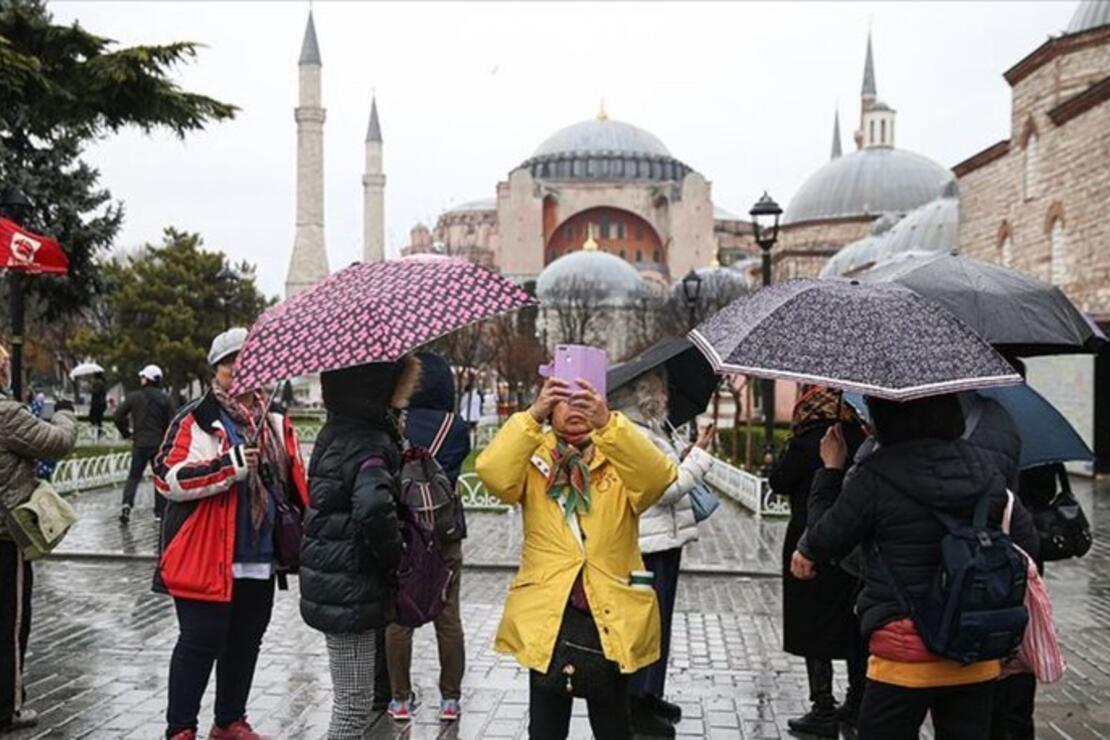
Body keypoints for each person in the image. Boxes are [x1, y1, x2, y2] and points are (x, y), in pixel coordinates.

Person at [791, 393, 1039, 740]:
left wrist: (831, 469)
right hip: (972, 647)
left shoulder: (875, 474)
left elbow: (824, 539)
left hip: (904, 651)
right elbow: (1027, 542)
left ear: (885, 416)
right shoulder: (983, 467)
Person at [476, 374, 677, 740]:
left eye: (585, 400)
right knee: (546, 727)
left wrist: (610, 424)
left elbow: (658, 477)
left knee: (613, 724)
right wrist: (531, 414)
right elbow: (492, 473)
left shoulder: (618, 455)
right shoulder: (533, 458)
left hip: (608, 609)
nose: (575, 409)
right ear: (551, 408)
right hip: (548, 609)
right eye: (563, 399)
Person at [153, 328, 308, 740]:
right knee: (199, 641)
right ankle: (180, 728)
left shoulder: (275, 422)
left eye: (250, 362)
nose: (240, 371)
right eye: (231, 363)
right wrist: (228, 465)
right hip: (206, 552)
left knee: (245, 640)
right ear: (217, 369)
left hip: (258, 551)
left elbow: (293, 483)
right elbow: (167, 477)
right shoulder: (197, 418)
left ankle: (228, 720)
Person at [299, 358, 418, 739]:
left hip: (336, 578)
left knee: (352, 700)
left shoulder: (337, 430)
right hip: (350, 584)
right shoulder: (368, 439)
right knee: (352, 706)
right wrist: (396, 555)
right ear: (379, 385)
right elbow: (371, 508)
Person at [609, 368, 714, 738]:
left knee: (661, 623)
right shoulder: (633, 434)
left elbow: (667, 473)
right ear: (643, 394)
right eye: (661, 388)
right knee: (645, 625)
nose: (667, 394)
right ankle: (635, 702)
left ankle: (650, 692)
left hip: (664, 541)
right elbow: (663, 489)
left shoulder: (650, 431)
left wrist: (686, 455)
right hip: (646, 545)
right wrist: (698, 459)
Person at [770, 386, 868, 737]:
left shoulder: (808, 438)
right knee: (854, 624)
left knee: (813, 624)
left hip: (808, 540)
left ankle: (822, 705)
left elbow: (779, 480)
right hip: (851, 543)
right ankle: (857, 701)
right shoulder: (863, 436)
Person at [385, 353, 471, 722]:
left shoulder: (395, 421)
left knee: (399, 616)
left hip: (405, 529)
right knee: (448, 614)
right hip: (445, 530)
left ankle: (400, 699)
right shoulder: (456, 426)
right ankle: (450, 699)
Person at [0, 345, 78, 733]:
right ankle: (8, 707)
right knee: (10, 623)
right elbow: (56, 441)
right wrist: (64, 411)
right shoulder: (6, 414)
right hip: (5, 535)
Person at [115, 364, 174, 524]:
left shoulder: (134, 397)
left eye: (142, 377)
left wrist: (126, 433)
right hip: (159, 445)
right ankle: (160, 512)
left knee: (134, 476)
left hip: (140, 443)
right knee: (159, 477)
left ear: (147, 379)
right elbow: (173, 423)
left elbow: (118, 415)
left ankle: (127, 505)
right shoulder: (165, 399)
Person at [88, 372, 108, 441]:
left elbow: (96, 392)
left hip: (97, 404)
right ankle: (99, 432)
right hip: (101, 404)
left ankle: (98, 432)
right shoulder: (102, 382)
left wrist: (90, 387)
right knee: (98, 419)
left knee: (93, 416)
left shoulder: (98, 383)